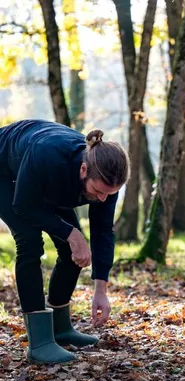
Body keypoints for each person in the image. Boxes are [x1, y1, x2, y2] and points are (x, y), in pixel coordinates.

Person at [0, 119, 130, 363]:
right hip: (4, 171)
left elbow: (103, 232)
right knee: (29, 242)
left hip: (47, 178)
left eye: (109, 194)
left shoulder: (107, 180)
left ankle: (60, 329)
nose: (102, 199)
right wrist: (72, 234)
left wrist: (101, 290)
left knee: (75, 252)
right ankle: (39, 343)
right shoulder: (48, 154)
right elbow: (24, 206)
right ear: (83, 170)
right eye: (98, 191)